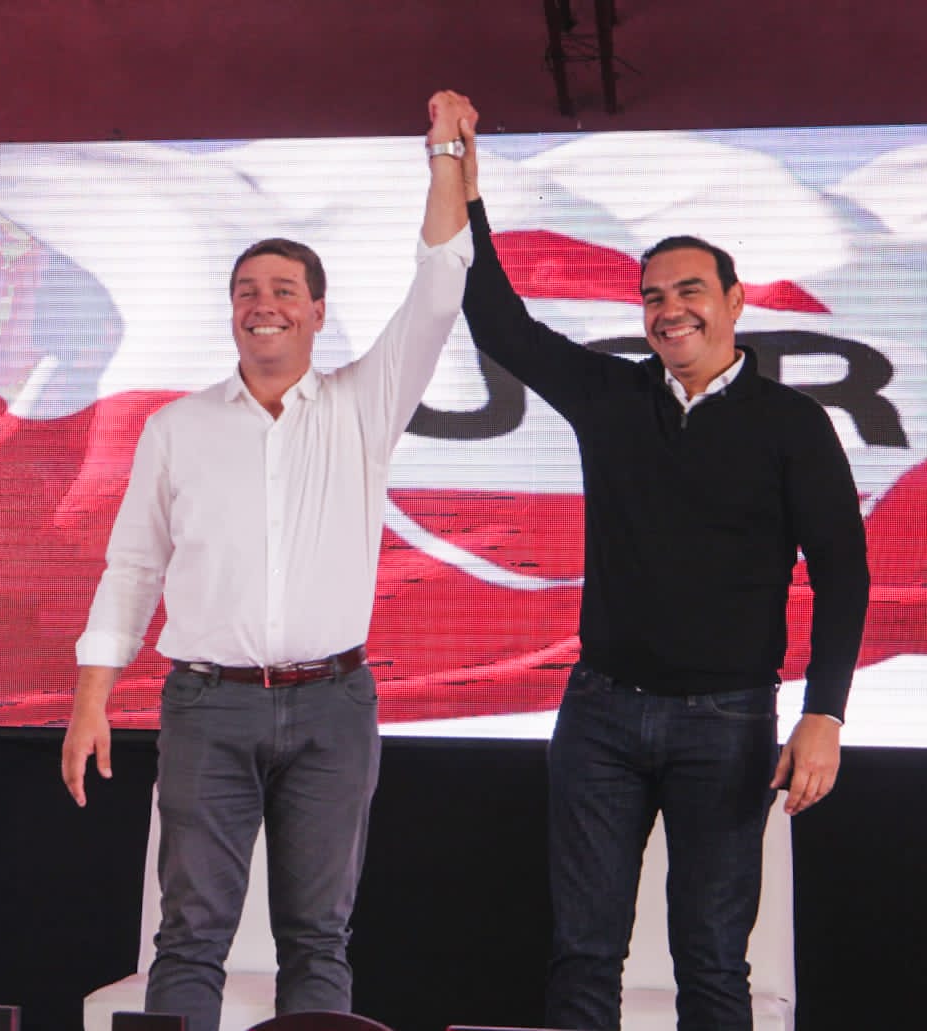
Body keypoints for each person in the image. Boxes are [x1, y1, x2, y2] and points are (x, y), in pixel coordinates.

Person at [60, 91, 478, 1031]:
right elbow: (131, 567)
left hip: (333, 705)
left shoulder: (365, 404)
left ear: (317, 312)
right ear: (231, 313)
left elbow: (440, 283)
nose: (264, 305)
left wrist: (447, 154)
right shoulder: (176, 427)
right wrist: (91, 698)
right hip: (207, 705)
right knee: (189, 935)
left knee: (317, 938)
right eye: (248, 291)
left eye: (284, 290)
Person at [455, 122, 870, 1030]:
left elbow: (844, 573)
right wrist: (463, 184)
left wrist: (825, 714)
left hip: (727, 724)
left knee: (712, 962)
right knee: (582, 955)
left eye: (689, 291)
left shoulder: (791, 424)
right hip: (598, 716)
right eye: (652, 295)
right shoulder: (610, 396)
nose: (668, 309)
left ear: (735, 302)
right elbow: (497, 322)